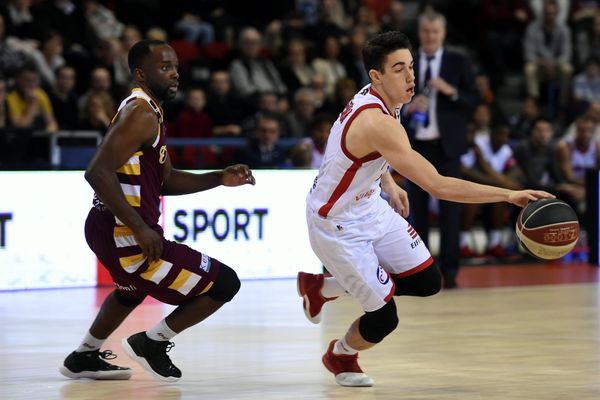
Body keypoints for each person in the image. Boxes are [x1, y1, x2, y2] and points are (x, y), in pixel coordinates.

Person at [297, 31, 552, 388]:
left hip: (369, 204)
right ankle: (340, 353)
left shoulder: (385, 99)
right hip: (336, 224)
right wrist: (509, 195)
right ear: (376, 76)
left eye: (411, 67)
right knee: (384, 317)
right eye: (399, 69)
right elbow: (438, 186)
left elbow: (356, 153)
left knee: (427, 281)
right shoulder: (377, 121)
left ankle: (321, 288)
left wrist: (387, 181)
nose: (410, 76)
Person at [59, 39, 255, 382]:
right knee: (225, 283)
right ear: (140, 73)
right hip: (125, 233)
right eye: (165, 68)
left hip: (109, 227)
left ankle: (84, 356)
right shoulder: (141, 111)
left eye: (176, 67)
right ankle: (152, 342)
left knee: (130, 291)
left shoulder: (150, 111)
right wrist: (138, 226)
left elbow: (165, 180)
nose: (175, 74)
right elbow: (96, 171)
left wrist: (219, 178)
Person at [403, 11, 479, 288]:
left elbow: (474, 100)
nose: (430, 37)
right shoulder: (408, 62)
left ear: (443, 33)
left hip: (447, 147)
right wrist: (407, 108)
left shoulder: (458, 61)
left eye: (435, 32)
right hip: (415, 147)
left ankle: (451, 271)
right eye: (425, 32)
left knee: (450, 212)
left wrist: (451, 91)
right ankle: (421, 273)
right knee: (417, 212)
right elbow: (390, 99)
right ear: (419, 32)